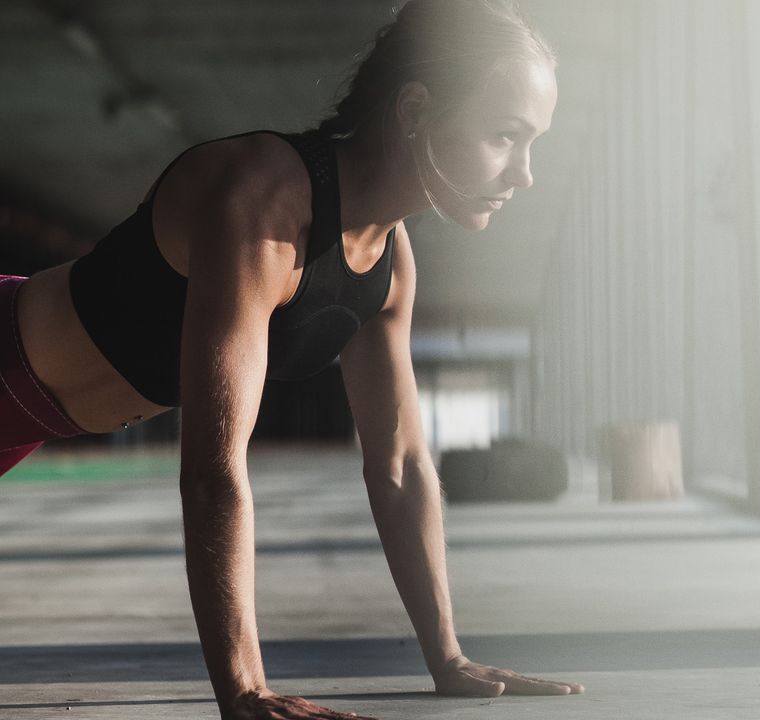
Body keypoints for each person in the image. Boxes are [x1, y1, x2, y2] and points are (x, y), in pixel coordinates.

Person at [0, 0, 583, 717]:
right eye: (505, 136)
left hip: (32, 420)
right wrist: (242, 689)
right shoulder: (262, 200)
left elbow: (400, 465)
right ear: (416, 107)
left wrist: (448, 655)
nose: (523, 174)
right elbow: (214, 468)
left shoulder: (390, 265)